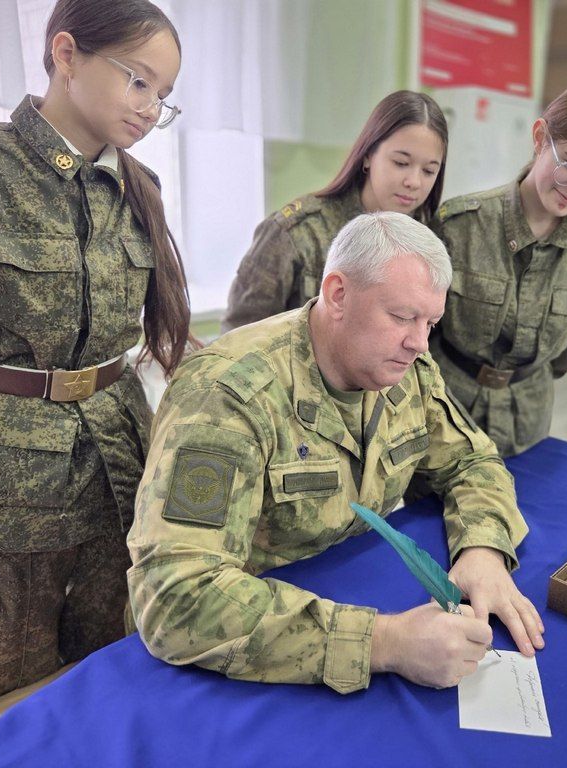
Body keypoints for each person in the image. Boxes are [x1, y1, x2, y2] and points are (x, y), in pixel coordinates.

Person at [0, 0, 195, 706]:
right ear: (66, 54)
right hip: (4, 483)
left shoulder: (137, 188)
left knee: (112, 666)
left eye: (164, 95)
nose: (150, 107)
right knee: (14, 692)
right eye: (138, 80)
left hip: (119, 463)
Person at [128, 212, 544, 692]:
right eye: (402, 316)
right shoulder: (227, 395)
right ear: (338, 294)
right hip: (237, 662)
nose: (418, 342)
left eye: (430, 322)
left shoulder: (403, 368)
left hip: (346, 588)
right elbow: (176, 596)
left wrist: (483, 549)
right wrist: (383, 643)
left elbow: (471, 461)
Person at [430, 74, 567, 456]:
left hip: (527, 418)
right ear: (541, 137)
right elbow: (420, 332)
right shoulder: (460, 226)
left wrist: (525, 379)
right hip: (444, 411)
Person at [220, 90, 448, 333]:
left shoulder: (432, 243)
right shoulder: (298, 234)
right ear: (368, 155)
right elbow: (239, 337)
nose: (414, 182)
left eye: (428, 171)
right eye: (401, 163)